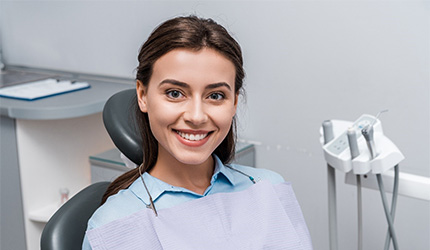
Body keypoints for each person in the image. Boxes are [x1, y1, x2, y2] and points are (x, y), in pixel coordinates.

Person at [83, 15, 312, 250]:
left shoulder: (268, 187)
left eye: (215, 96)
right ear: (142, 95)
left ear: (234, 102)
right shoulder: (114, 223)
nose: (196, 116)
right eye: (174, 93)